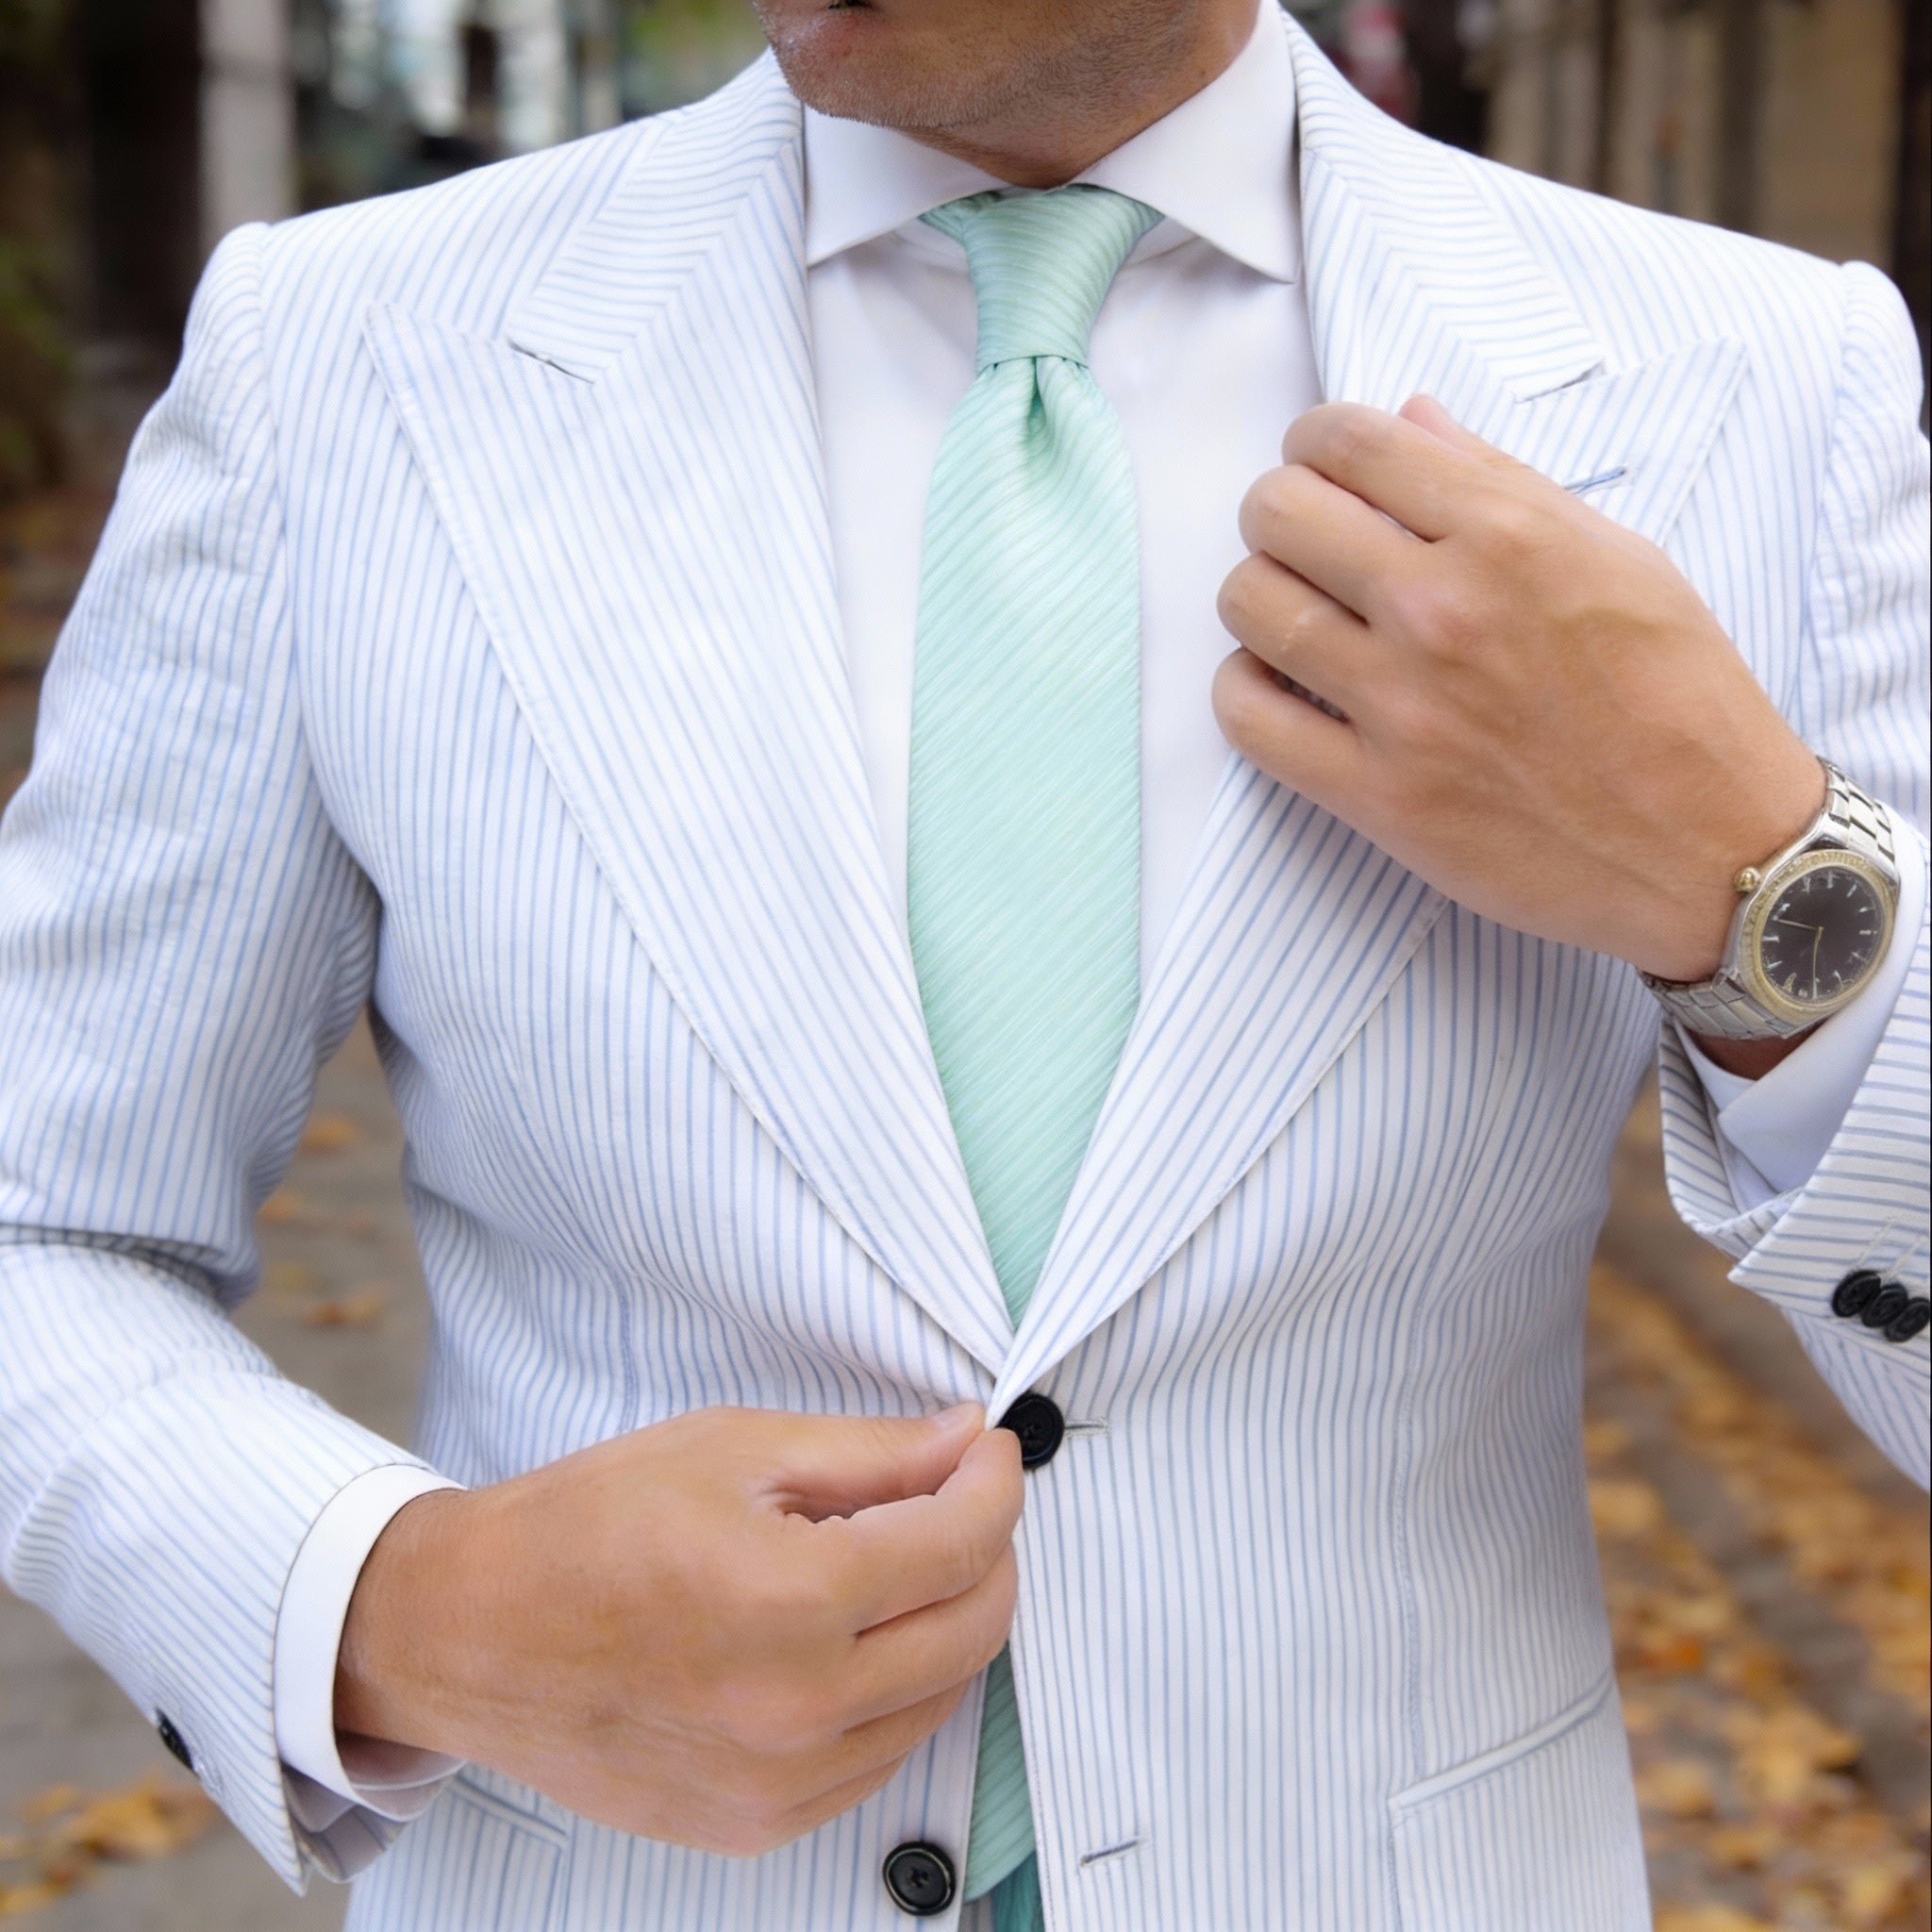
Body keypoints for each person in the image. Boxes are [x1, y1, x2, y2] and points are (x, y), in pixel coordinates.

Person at [0, 0, 1925, 1925]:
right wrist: (405, 1604)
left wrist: (1754, 888)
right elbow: (42, 1221)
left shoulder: (1754, 380)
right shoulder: (339, 358)